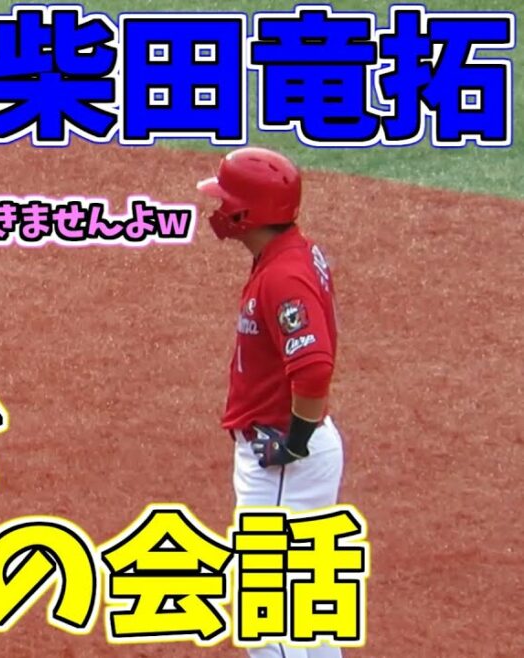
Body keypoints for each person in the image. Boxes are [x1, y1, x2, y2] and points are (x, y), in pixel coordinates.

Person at [197, 147, 345, 657]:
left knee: (265, 613)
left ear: (249, 213)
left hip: (284, 457)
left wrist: (293, 445)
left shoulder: (283, 276)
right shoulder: (290, 253)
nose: (218, 209)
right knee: (306, 611)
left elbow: (314, 367)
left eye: (226, 200)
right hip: (296, 448)